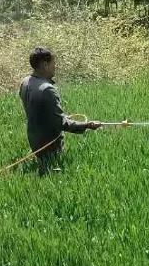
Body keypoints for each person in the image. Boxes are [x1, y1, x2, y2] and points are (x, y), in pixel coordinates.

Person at [18, 47, 109, 175]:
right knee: (53, 173)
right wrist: (87, 125)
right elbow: (61, 123)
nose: (55, 67)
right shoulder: (47, 90)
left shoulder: (25, 82)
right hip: (50, 146)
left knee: (42, 166)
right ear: (45, 64)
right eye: (53, 63)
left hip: (34, 141)